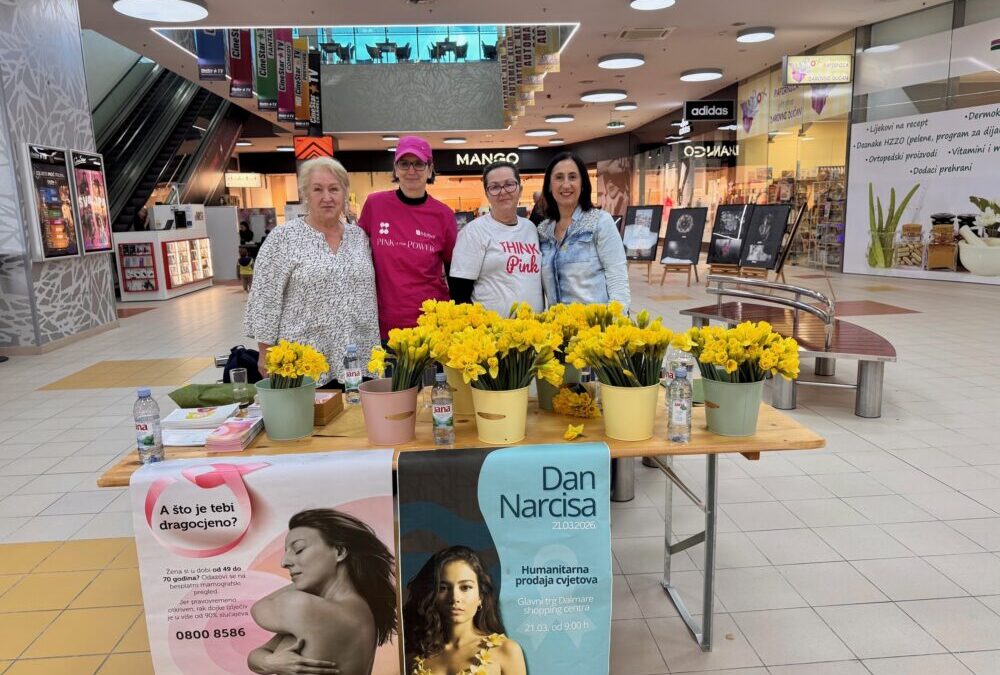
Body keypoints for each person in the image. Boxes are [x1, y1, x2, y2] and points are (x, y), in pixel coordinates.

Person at [243, 157, 380, 388]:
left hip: (358, 354)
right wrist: (265, 351)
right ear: (305, 194)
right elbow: (264, 299)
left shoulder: (358, 237)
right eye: (318, 189)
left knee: (356, 411)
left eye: (334, 189)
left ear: (345, 193)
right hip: (304, 359)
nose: (327, 197)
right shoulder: (283, 238)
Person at [248, 509, 397, 675]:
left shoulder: (303, 606)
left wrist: (265, 662)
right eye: (286, 552)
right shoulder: (353, 609)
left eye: (298, 549)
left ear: (339, 552)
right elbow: (256, 658)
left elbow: (257, 609)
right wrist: (268, 662)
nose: (284, 562)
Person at [358, 136, 457, 341]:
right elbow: (357, 254)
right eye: (404, 164)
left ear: (430, 169)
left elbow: (453, 270)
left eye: (419, 164)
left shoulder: (444, 215)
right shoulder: (375, 205)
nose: (411, 171)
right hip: (384, 325)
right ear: (396, 169)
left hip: (431, 326)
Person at [403, 546, 526, 675]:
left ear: (481, 597)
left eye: (465, 587)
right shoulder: (413, 656)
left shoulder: (506, 651)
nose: (454, 598)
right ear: (431, 595)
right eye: (443, 588)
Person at [537, 152, 630, 309]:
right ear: (549, 186)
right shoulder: (543, 232)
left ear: (583, 184)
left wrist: (616, 318)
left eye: (572, 177)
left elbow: (618, 279)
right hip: (556, 323)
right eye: (559, 177)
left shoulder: (600, 222)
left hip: (595, 322)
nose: (566, 184)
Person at [449, 160, 543, 314]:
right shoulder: (473, 232)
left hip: (535, 326)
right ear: (487, 194)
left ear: (520, 189)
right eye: (494, 187)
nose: (503, 191)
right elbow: (459, 293)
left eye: (509, 184)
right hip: (491, 328)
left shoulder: (531, 228)